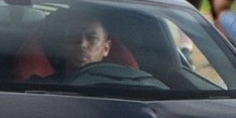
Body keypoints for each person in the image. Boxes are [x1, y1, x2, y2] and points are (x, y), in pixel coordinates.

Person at [32, 9, 165, 89]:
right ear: (62, 45)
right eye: (74, 36)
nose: (82, 44)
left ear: (106, 48)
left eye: (92, 38)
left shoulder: (133, 90)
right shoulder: (38, 89)